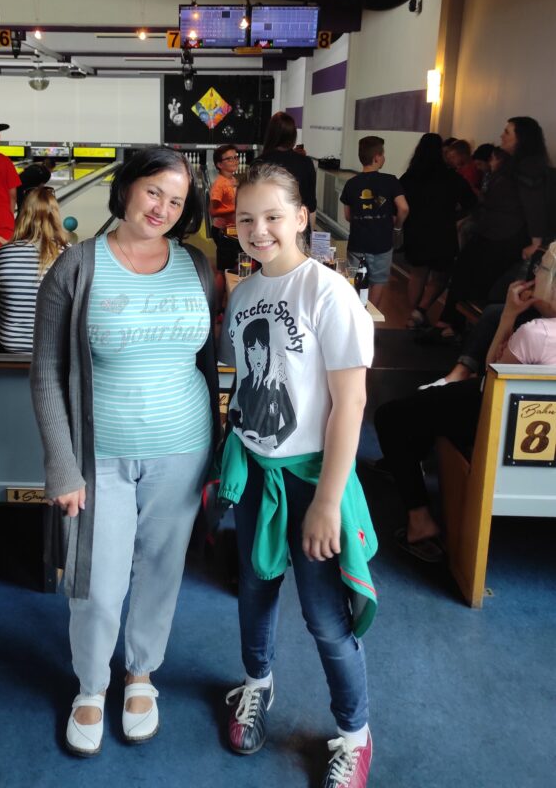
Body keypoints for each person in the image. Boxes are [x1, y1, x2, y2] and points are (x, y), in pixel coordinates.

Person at [29, 147, 220, 757]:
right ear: (126, 189)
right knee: (97, 581)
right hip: (100, 456)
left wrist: (217, 453)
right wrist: (62, 465)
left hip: (183, 449)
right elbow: (45, 372)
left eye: (176, 200)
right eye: (153, 191)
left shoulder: (197, 266)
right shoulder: (77, 266)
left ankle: (140, 673)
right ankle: (91, 684)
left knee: (162, 571)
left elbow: (206, 361)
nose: (162, 208)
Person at [219, 163, 376, 788]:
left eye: (272, 216)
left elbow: (350, 404)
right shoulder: (244, 293)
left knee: (324, 618)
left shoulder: (327, 291)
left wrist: (327, 502)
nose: (258, 230)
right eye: (246, 219)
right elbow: (247, 387)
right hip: (257, 473)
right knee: (254, 591)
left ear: (302, 218)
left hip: (314, 480)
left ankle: (355, 734)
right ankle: (255, 683)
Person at [375, 280, 556, 561]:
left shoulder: (538, 334)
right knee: (434, 404)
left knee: (390, 416)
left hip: (504, 432)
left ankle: (420, 521)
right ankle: (408, 457)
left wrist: (509, 314)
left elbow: (492, 381)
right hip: (541, 448)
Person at [435, 116, 549, 336]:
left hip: (505, 236)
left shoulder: (528, 167)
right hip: (491, 231)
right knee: (464, 271)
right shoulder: (512, 164)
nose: (501, 136)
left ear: (521, 138)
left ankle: (456, 327)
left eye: (507, 132)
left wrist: (536, 243)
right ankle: (451, 324)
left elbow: (534, 206)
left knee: (475, 277)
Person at [399, 133, 477, 328]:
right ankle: (421, 310)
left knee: (417, 275)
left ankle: (413, 315)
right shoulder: (451, 177)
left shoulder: (409, 177)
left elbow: (400, 205)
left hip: (415, 231)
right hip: (442, 232)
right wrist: (455, 216)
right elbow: (471, 203)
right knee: (442, 275)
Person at [0, 185, 69, 352]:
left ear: (22, 215)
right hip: (55, 344)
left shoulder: (4, 252)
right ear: (55, 216)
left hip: (12, 343)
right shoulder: (70, 254)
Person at [340, 136, 409, 311]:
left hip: (357, 243)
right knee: (378, 281)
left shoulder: (351, 184)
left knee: (355, 281)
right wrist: (397, 226)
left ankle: (353, 317)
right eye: (383, 154)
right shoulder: (391, 181)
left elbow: (347, 216)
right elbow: (404, 208)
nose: (384, 158)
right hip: (382, 243)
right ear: (377, 157)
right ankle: (368, 319)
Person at [257, 112, 317, 228]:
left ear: (270, 134)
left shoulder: (259, 163)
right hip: (297, 228)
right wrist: (311, 233)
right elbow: (311, 205)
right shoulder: (306, 163)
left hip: (268, 227)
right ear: (293, 135)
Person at [209, 143, 241, 280]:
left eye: (236, 157)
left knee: (234, 266)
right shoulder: (219, 184)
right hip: (222, 231)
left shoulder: (232, 179)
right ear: (219, 164)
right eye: (229, 158)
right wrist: (238, 209)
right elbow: (213, 211)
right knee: (225, 269)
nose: (234, 161)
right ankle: (220, 292)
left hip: (231, 230)